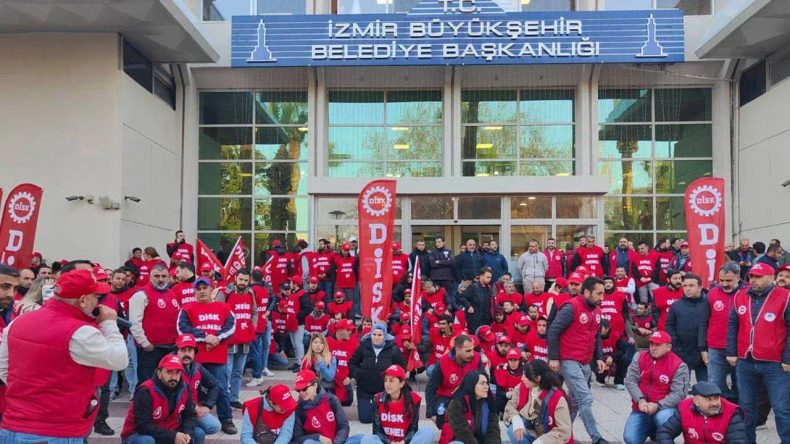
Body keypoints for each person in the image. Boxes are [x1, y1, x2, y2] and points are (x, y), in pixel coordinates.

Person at [0, 268, 128, 442]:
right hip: (57, 430)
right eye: (95, 297)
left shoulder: (18, 322)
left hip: (14, 425)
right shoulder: (80, 332)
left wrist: (32, 396)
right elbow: (120, 360)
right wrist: (109, 324)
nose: (97, 303)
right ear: (83, 300)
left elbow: (3, 369)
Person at [726, 262, 790, 443]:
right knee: (746, 407)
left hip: (776, 363)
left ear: (771, 277)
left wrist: (788, 357)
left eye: (758, 277)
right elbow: (732, 324)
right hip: (745, 361)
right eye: (751, 277)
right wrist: (731, 351)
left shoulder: (786, 296)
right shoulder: (740, 295)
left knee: (782, 409)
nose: (753, 280)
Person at [547, 276, 611, 444]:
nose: (602, 298)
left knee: (575, 402)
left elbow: (596, 337)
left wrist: (599, 358)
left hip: (585, 362)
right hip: (568, 360)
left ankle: (561, 435)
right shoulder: (571, 307)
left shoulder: (597, 311)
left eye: (603, 294)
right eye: (599, 294)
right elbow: (553, 331)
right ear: (587, 292)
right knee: (585, 398)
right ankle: (597, 438)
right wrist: (553, 357)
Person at [177, 276, 238, 434]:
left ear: (212, 289)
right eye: (198, 289)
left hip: (218, 358)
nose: (202, 291)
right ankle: (191, 417)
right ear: (194, 291)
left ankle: (226, 420)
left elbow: (231, 326)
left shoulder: (224, 307)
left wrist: (217, 338)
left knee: (222, 389)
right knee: (190, 389)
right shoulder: (187, 308)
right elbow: (182, 329)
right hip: (194, 359)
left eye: (205, 288)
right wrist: (205, 337)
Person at [622, 331, 689, 444]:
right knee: (631, 439)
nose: (653, 348)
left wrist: (658, 405)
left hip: (665, 407)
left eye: (658, 345)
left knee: (662, 418)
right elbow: (630, 380)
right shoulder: (639, 356)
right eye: (651, 344)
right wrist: (640, 400)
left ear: (668, 347)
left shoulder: (679, 365)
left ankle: (661, 433)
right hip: (641, 407)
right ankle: (650, 429)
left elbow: (679, 394)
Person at [120, 354, 202, 444]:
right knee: (147, 441)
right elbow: (143, 426)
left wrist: (187, 434)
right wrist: (173, 436)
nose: (174, 377)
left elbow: (189, 415)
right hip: (137, 434)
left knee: (198, 433)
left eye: (177, 372)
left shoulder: (185, 388)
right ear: (159, 373)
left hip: (168, 430)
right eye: (169, 372)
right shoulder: (145, 391)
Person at [347, 365, 436, 444]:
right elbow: (377, 431)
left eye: (391, 381)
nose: (387, 384)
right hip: (386, 442)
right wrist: (390, 442)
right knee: (367, 439)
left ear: (401, 383)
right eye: (385, 380)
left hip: (405, 442)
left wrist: (403, 441)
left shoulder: (413, 399)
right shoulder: (378, 399)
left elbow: (413, 429)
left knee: (428, 432)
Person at [129, 263, 179, 383]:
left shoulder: (172, 294)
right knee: (148, 383)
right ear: (150, 277)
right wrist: (144, 343)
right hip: (150, 350)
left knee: (168, 383)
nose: (160, 279)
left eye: (163, 276)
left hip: (170, 348)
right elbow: (134, 323)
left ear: (168, 278)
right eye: (157, 276)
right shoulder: (141, 295)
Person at [349, 321, 407, 424]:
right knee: (365, 419)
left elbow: (402, 367)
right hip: (365, 389)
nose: (377, 337)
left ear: (385, 335)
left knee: (383, 420)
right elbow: (352, 363)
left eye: (380, 335)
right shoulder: (363, 347)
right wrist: (359, 374)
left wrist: (393, 379)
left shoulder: (393, 349)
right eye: (374, 334)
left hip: (384, 391)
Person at [504, 359, 573, 444]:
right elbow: (510, 407)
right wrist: (516, 419)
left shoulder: (557, 399)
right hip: (533, 433)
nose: (522, 378)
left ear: (537, 378)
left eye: (526, 376)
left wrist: (542, 441)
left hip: (552, 440)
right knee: (512, 430)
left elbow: (564, 431)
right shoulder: (521, 388)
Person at [655, 381, 746, 443]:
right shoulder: (684, 408)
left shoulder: (732, 412)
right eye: (708, 399)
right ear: (696, 401)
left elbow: (737, 441)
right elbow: (664, 432)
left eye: (716, 398)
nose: (714, 403)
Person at [425, 334, 486, 427]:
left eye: (473, 349)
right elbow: (430, 388)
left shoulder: (476, 358)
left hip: (469, 397)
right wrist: (431, 413)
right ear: (457, 350)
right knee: (447, 426)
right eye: (468, 351)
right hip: (447, 398)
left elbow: (484, 379)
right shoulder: (443, 362)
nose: (472, 354)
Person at [218, 269, 258, 409]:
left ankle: (234, 398)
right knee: (226, 372)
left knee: (238, 372)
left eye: (246, 280)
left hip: (245, 337)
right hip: (229, 338)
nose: (243, 283)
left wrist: (252, 327)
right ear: (235, 278)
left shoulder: (251, 293)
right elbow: (217, 311)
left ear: (249, 281)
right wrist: (221, 333)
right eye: (240, 279)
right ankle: (222, 400)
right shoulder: (226, 292)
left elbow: (254, 312)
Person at [706, 262, 742, 402]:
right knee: (714, 383)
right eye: (721, 280)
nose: (724, 284)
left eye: (729, 281)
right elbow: (704, 320)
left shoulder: (745, 294)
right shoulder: (712, 293)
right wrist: (703, 346)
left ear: (738, 278)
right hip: (716, 347)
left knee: (741, 384)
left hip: (740, 347)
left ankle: (740, 415)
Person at [174, 334, 221, 437]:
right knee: (199, 434)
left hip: (192, 411)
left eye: (190, 350)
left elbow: (214, 384)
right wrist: (193, 406)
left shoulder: (196, 367)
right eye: (183, 350)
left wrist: (208, 405)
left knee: (214, 426)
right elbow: (175, 393)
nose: (187, 354)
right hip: (175, 411)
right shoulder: (170, 368)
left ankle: (190, 429)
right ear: (176, 351)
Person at [665, 273, 709, 382]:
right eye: (685, 286)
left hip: (702, 349)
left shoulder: (708, 304)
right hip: (681, 349)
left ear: (699, 287)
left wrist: (705, 347)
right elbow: (669, 324)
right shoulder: (676, 305)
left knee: (705, 386)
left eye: (691, 286)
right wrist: (674, 341)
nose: (687, 289)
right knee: (680, 386)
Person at [439, 371, 500, 444]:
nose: (486, 386)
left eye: (487, 383)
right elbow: (462, 433)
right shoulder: (456, 403)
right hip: (457, 440)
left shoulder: (489, 403)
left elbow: (493, 431)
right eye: (482, 383)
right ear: (471, 385)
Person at [292, 369, 350, 444]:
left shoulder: (331, 399)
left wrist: (336, 442)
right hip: (316, 442)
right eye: (298, 390)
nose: (301, 393)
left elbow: (344, 427)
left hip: (338, 441)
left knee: (362, 438)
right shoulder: (299, 409)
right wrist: (318, 437)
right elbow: (298, 438)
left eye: (304, 389)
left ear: (315, 385)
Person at [459, 267, 495, 334]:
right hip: (474, 320)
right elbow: (462, 297)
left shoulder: (489, 289)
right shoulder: (473, 287)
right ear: (481, 276)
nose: (489, 279)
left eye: (490, 277)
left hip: (486, 320)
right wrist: (469, 306)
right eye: (487, 277)